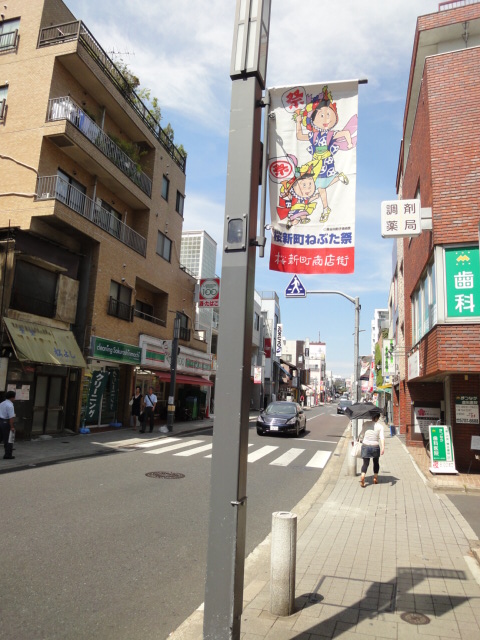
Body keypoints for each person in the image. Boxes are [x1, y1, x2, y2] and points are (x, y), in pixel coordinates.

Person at [358, 413, 384, 487]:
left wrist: (360, 438)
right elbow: (382, 437)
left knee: (365, 463)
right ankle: (375, 477)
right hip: (375, 446)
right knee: (376, 462)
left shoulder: (366, 424)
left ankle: (363, 476)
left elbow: (362, 434)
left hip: (366, 445)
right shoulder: (380, 426)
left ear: (371, 417)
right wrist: (383, 448)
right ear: (378, 418)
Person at [0, 390, 16, 460]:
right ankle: (8, 455)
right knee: (9, 439)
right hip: (6, 422)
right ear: (12, 397)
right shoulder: (10, 405)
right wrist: (12, 427)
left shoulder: (2, 403)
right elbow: (11, 417)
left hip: (0, 421)